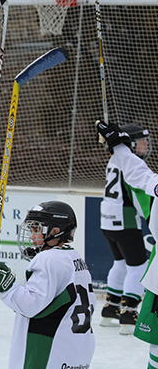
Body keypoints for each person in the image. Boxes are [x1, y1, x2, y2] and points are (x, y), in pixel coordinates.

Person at [0, 201, 96, 369]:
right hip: (76, 351)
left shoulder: (48, 259)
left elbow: (30, 306)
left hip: (48, 352)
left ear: (55, 231)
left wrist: (6, 284)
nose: (32, 237)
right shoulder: (76, 258)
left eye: (37, 230)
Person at [96, 121, 158, 369]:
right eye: (141, 142)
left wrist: (118, 146)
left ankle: (111, 307)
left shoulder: (117, 161)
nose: (145, 146)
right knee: (137, 266)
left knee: (120, 263)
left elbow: (140, 175)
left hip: (107, 219)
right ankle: (128, 312)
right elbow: (138, 188)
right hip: (125, 221)